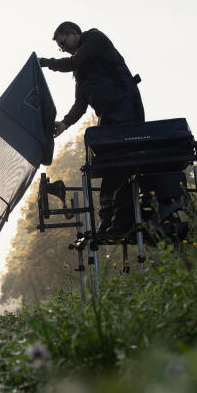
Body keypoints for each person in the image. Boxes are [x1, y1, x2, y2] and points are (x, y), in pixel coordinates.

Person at [38, 21, 145, 235]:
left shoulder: (95, 39)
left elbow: (74, 61)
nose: (62, 48)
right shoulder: (81, 69)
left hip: (126, 111)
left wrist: (44, 62)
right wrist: (65, 123)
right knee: (108, 166)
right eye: (59, 47)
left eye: (63, 42)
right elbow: (80, 103)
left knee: (122, 165)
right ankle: (109, 219)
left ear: (74, 33)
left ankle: (121, 221)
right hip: (108, 117)